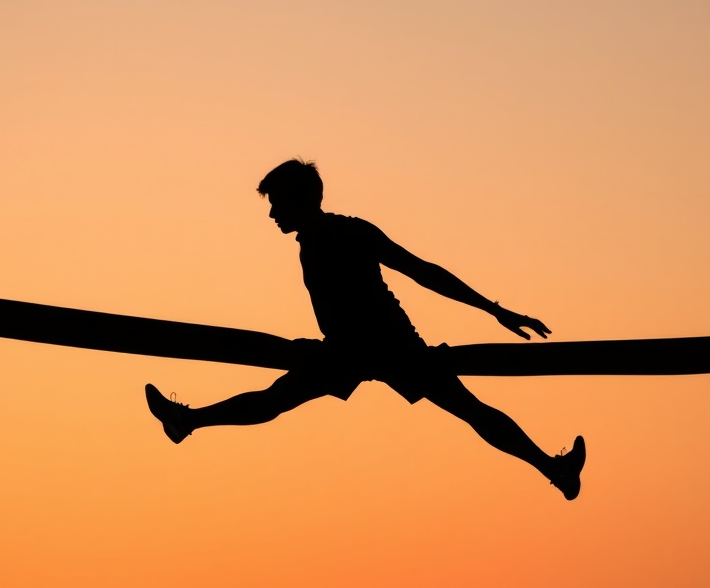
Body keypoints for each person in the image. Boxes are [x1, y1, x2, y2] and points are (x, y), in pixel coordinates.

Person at [146, 159, 585, 499]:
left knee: (470, 410)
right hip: (347, 351)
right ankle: (187, 421)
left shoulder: (350, 233)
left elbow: (422, 271)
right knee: (276, 399)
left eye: (277, 202)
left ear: (301, 200)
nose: (272, 213)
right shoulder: (311, 242)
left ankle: (554, 469)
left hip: (393, 348)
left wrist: (495, 310)